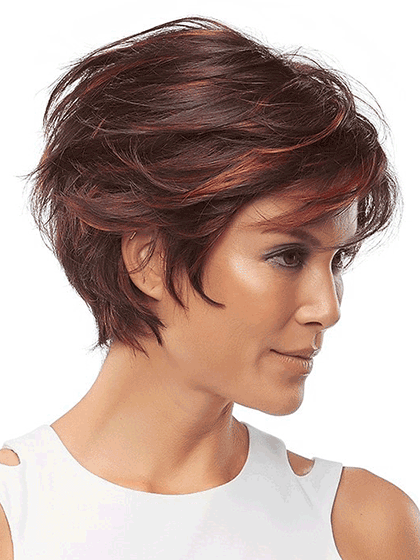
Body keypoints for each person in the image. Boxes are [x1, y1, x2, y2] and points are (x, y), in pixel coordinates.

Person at [0, 16, 419, 560]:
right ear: (149, 257)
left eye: (336, 260)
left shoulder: (364, 528)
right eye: (288, 256)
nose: (328, 307)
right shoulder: (15, 520)